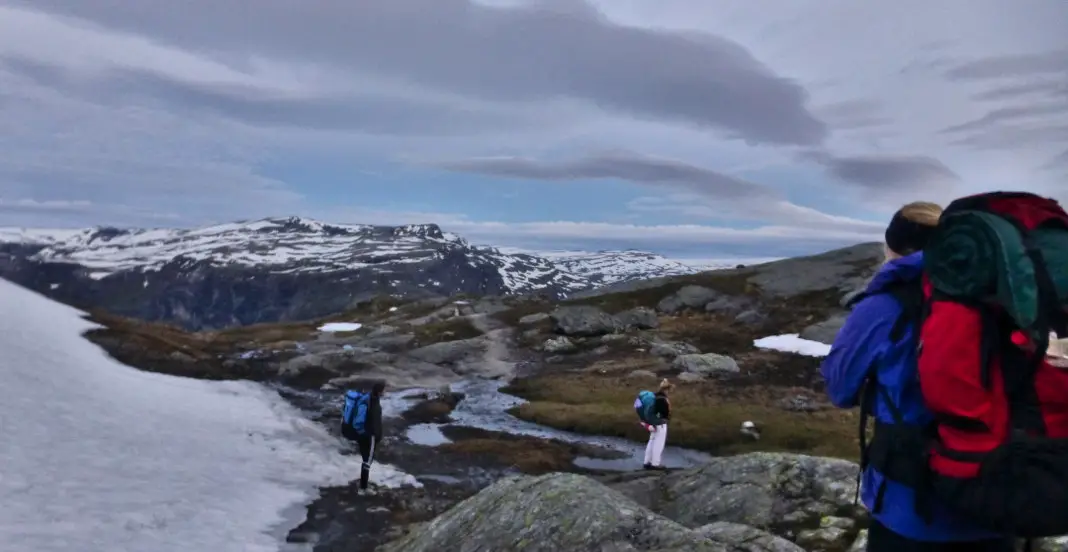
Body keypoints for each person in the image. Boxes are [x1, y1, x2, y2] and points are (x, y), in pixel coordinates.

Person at [821, 201, 1014, 552]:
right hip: (1000, 498)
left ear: (890, 248)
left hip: (910, 508)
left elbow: (840, 388)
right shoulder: (1001, 300)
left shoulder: (883, 306)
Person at [356, 381, 385, 492]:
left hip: (361, 433)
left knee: (365, 459)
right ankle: (363, 488)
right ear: (379, 391)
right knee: (368, 461)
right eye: (383, 390)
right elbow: (375, 422)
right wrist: (377, 436)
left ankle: (363, 485)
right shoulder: (374, 404)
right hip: (370, 436)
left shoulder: (367, 398)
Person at [643, 379, 672, 470]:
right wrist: (662, 418)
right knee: (658, 444)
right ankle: (655, 463)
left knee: (651, 442)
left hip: (651, 423)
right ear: (666, 389)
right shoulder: (662, 399)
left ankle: (646, 462)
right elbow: (662, 412)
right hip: (660, 424)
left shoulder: (653, 396)